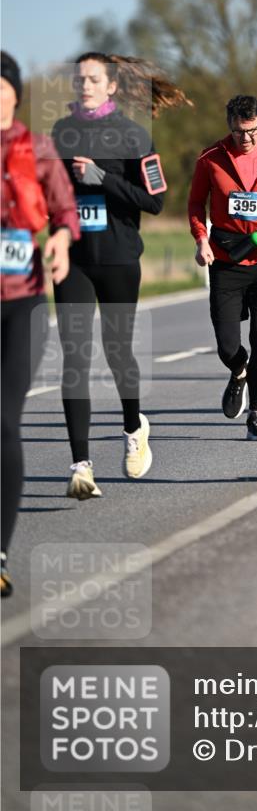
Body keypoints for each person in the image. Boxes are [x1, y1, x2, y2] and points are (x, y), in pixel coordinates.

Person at [51, 52, 191, 499]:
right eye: (79, 80)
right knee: (74, 357)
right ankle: (81, 466)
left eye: (93, 79)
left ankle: (134, 428)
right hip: (73, 259)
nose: (85, 85)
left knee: (117, 352)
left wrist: (100, 177)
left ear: (111, 86)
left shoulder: (134, 136)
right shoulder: (60, 133)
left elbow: (154, 202)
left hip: (117, 258)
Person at [1, 51, 80, 596]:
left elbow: (66, 212)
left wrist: (58, 237)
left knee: (4, 420)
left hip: (21, 304)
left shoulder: (37, 149)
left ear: (14, 95)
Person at [188, 95, 257, 439]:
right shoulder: (211, 159)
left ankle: (256, 416)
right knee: (227, 345)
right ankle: (238, 370)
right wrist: (201, 239)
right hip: (226, 259)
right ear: (230, 127)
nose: (247, 139)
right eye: (239, 133)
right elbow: (195, 203)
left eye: (253, 131)